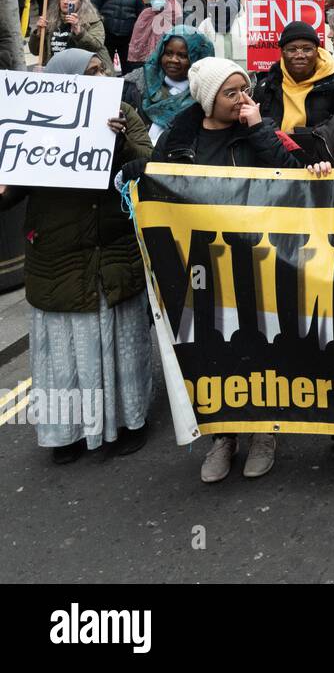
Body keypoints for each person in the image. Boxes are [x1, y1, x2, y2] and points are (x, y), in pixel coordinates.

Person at [144, 57, 298, 481]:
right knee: (215, 349)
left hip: (257, 260)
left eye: (245, 89)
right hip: (200, 264)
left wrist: (259, 129)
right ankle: (223, 436)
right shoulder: (179, 137)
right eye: (231, 93)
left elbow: (292, 176)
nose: (243, 98)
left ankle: (265, 431)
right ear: (209, 99)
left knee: (261, 341)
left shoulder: (257, 129)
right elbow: (156, 186)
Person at [0, 49, 154, 464]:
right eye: (90, 71)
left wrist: (120, 141)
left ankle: (127, 421)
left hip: (111, 248)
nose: (102, 75)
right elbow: (13, 188)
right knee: (65, 348)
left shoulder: (124, 111)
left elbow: (149, 165)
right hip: (58, 252)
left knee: (118, 339)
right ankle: (64, 433)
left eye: (102, 68)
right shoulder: (35, 113)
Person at [123, 25, 215, 142]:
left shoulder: (207, 97)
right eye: (168, 53)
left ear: (197, 59)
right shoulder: (136, 85)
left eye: (182, 56)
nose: (173, 60)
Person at [251, 21, 334, 132]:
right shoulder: (266, 87)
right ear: (282, 53)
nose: (300, 55)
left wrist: (297, 135)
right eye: (292, 50)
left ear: (317, 51)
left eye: (307, 49)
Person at [30, 0, 112, 69]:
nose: (65, 2)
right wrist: (38, 33)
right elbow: (35, 51)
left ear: (81, 2)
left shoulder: (92, 21)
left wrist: (79, 32)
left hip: (84, 71)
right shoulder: (50, 21)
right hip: (57, 71)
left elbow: (96, 47)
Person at [90, 0, 144, 71]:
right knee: (105, 69)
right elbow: (91, 10)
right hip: (106, 36)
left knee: (129, 70)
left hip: (127, 38)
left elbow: (141, 15)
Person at [126, 0, 182, 72]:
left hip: (165, 65)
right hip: (140, 64)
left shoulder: (175, 15)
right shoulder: (146, 14)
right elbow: (136, 40)